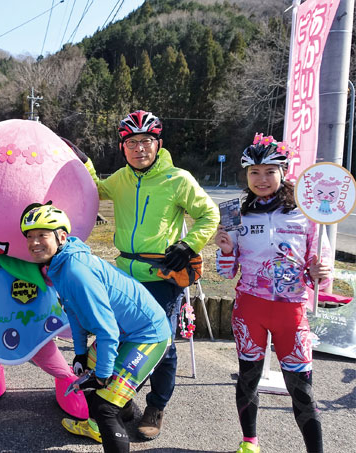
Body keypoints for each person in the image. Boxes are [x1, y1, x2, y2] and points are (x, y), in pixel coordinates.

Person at [93, 110, 219, 439]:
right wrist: (78, 161)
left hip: (163, 276)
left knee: (161, 344)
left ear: (158, 144)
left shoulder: (177, 178)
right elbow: (94, 189)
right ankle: (121, 400)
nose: (139, 148)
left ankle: (156, 405)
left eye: (146, 141)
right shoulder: (119, 179)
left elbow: (209, 213)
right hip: (125, 275)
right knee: (119, 335)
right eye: (131, 142)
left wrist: (189, 245)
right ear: (123, 147)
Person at [20, 204, 171, 453]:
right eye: (29, 236)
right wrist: (80, 353)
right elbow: (74, 312)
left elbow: (107, 330)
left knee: (104, 407)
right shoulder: (59, 264)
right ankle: (123, 413)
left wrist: (102, 374)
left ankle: (111, 416)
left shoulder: (75, 271)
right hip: (124, 331)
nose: (34, 242)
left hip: (147, 335)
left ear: (61, 237)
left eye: (42, 235)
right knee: (88, 377)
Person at [214, 135, 332, 453]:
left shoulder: (307, 215)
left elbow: (319, 276)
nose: (262, 179)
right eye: (254, 172)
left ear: (284, 172)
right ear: (246, 175)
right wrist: (225, 250)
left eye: (269, 171)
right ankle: (250, 442)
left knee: (302, 389)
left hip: (291, 312)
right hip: (249, 310)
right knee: (248, 379)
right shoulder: (235, 214)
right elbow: (226, 273)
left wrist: (320, 275)